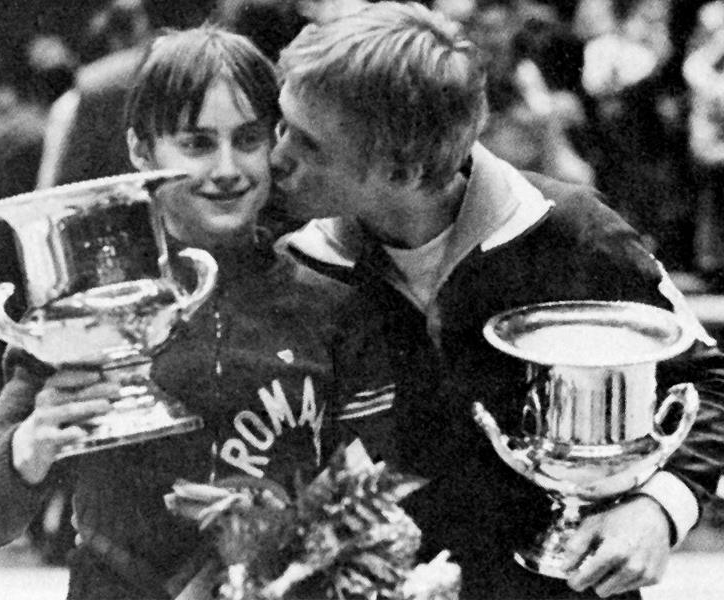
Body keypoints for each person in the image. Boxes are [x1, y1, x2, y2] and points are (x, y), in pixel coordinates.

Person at [271, 3, 724, 599]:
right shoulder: (294, 261)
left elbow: (710, 378)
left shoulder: (570, 233)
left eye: (309, 145)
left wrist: (660, 507)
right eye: (281, 126)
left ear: (403, 171)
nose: (277, 157)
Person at [0, 25, 344, 600]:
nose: (227, 167)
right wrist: (29, 447)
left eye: (248, 139)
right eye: (197, 144)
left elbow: (371, 496)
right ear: (140, 151)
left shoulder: (327, 298)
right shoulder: (84, 316)